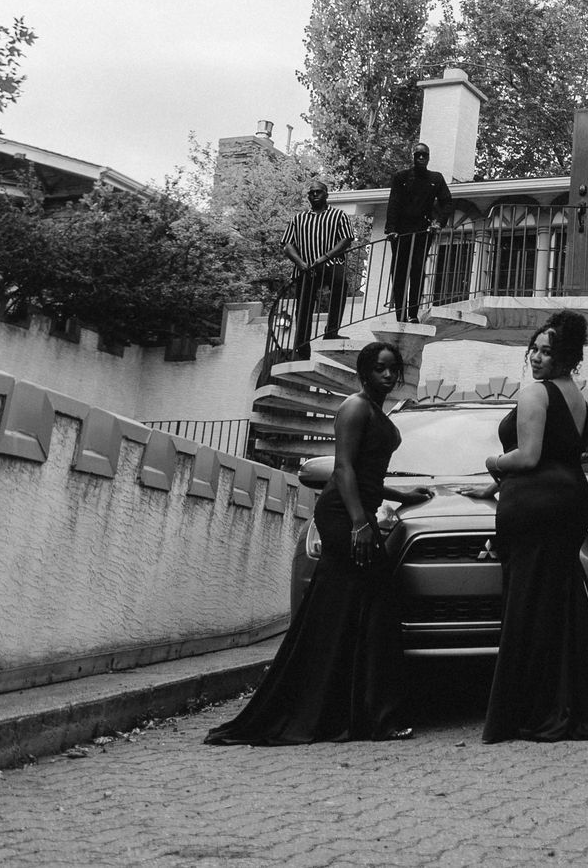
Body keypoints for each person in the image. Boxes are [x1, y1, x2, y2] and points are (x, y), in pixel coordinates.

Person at [205, 342, 429, 745]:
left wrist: (402, 495)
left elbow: (367, 475)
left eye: (394, 369)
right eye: (380, 368)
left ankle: (338, 712)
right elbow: (343, 468)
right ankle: (371, 717)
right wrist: (361, 524)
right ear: (363, 372)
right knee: (375, 605)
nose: (389, 375)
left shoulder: (376, 410)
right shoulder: (355, 408)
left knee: (339, 613)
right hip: (344, 516)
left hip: (356, 510)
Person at [478, 312, 588, 743]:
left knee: (527, 605)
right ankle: (571, 706)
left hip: (537, 505)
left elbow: (529, 456)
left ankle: (531, 713)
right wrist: (495, 485)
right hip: (568, 500)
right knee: (559, 606)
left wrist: (494, 463)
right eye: (534, 349)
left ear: (566, 357)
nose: (537, 358)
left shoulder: (536, 393)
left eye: (547, 351)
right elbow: (558, 453)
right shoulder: (575, 395)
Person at [281, 179, 359, 360]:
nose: (314, 194)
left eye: (318, 191)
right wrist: (300, 263)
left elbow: (346, 239)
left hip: (330, 264)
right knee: (304, 307)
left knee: (340, 284)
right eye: (311, 192)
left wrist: (324, 257)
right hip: (305, 267)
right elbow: (287, 244)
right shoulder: (298, 218)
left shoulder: (338, 215)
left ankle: (331, 332)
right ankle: (302, 346)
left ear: (326, 195)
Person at [385, 142, 451, 323]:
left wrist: (439, 222)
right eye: (418, 155)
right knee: (399, 272)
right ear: (413, 157)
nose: (421, 158)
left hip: (422, 230)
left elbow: (447, 202)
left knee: (417, 270)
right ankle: (400, 314)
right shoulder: (401, 177)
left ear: (428, 158)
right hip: (401, 231)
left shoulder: (436, 178)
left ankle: (413, 314)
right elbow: (394, 203)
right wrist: (391, 229)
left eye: (424, 155)